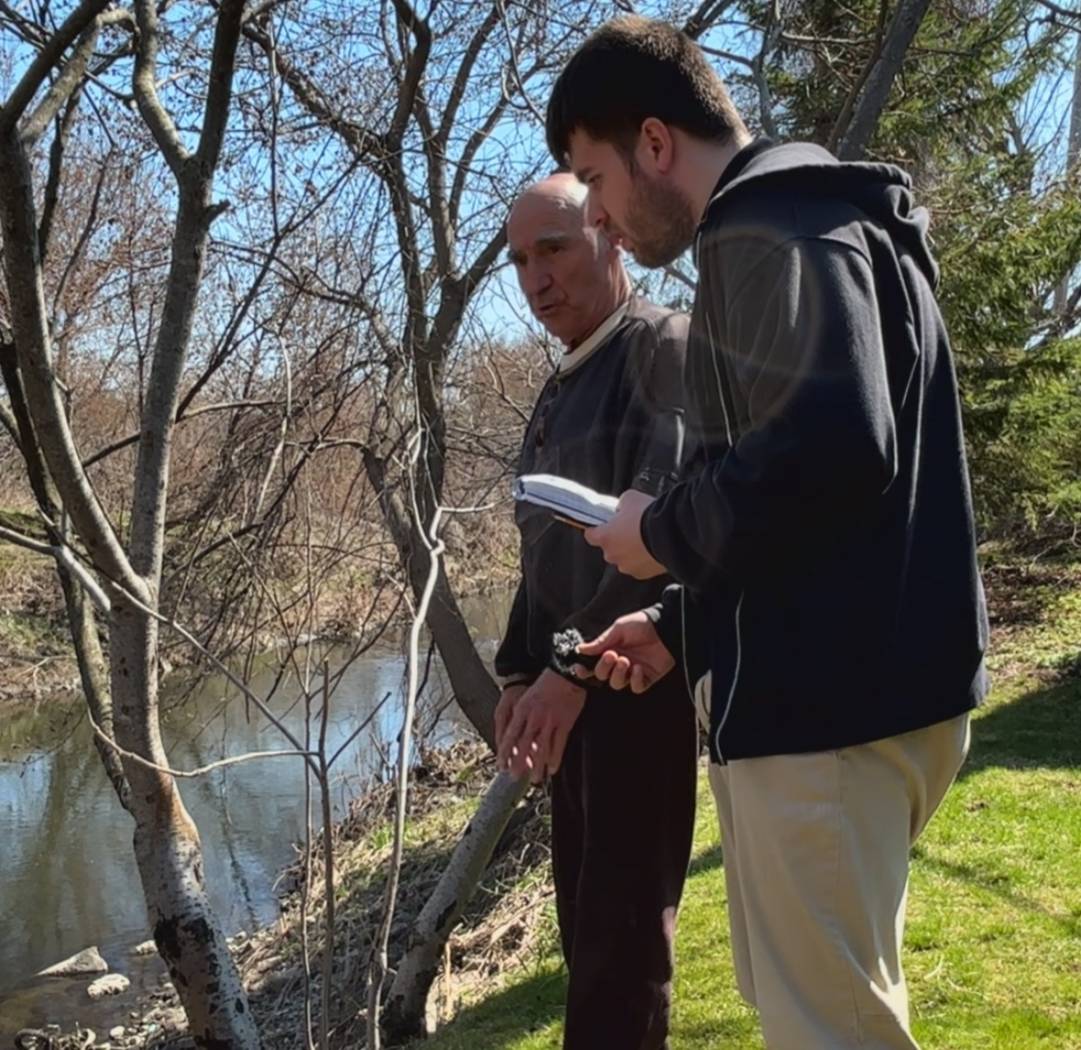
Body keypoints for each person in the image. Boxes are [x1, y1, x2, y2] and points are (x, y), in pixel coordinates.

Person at [532, 16, 990, 1050]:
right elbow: (840, 509)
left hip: (822, 714)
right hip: (874, 693)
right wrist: (685, 623)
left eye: (593, 179)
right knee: (837, 1006)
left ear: (655, 143)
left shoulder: (760, 227)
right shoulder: (832, 225)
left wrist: (662, 529)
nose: (601, 217)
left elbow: (833, 445)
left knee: (830, 1033)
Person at [493, 173, 698, 1050]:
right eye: (517, 261)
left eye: (554, 249)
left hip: (634, 689)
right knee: (586, 937)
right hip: (569, 702)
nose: (535, 279)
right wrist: (515, 670)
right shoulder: (557, 385)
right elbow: (544, 554)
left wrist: (567, 670)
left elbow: (667, 532)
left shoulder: (667, 349)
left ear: (611, 235)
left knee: (620, 957)